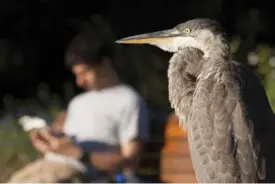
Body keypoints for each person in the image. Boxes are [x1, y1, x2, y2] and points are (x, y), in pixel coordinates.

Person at [8, 30, 149, 182]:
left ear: (105, 63)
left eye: (84, 73)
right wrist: (46, 139)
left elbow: (130, 160)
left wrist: (82, 155)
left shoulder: (129, 100)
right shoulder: (78, 102)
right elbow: (62, 138)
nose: (79, 82)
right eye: (76, 75)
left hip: (82, 174)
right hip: (47, 166)